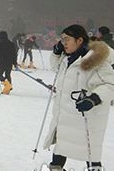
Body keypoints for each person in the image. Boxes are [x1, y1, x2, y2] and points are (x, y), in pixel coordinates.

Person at [43, 25, 114, 170]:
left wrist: (93, 99)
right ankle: (55, 167)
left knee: (89, 151)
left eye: (67, 39)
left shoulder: (94, 59)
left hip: (86, 117)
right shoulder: (68, 57)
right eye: (62, 40)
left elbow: (109, 84)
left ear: (79, 40)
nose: (64, 43)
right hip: (65, 115)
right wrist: (56, 53)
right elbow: (56, 68)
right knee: (61, 145)